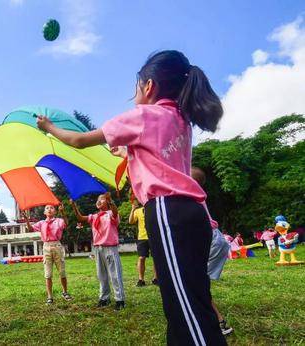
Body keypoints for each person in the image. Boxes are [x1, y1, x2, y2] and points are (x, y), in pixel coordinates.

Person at [38, 50, 226, 344]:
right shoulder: (180, 119)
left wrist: (48, 127)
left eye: (136, 86)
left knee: (186, 307)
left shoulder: (143, 115)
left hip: (168, 212)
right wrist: (128, 151)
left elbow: (79, 140)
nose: (135, 92)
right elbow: (163, 161)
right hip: (193, 212)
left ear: (149, 86)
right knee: (189, 297)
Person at [191, 167, 233, 336]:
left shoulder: (191, 192)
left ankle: (219, 322)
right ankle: (213, 319)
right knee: (197, 283)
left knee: (196, 284)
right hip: (215, 239)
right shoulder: (197, 194)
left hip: (211, 240)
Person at [70, 193, 126, 310]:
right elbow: (80, 218)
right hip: (98, 248)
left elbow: (115, 213)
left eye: (102, 199)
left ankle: (119, 299)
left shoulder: (111, 214)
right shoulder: (95, 216)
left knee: (115, 274)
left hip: (110, 247)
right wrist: (74, 206)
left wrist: (111, 202)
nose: (99, 201)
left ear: (108, 202)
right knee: (102, 275)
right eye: (98, 200)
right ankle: (104, 298)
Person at [23, 204, 73, 305]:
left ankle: (65, 292)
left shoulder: (59, 221)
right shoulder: (41, 223)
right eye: (47, 208)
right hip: (46, 247)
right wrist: (27, 220)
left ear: (55, 211)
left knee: (62, 271)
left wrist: (63, 212)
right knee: (48, 274)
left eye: (52, 208)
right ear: (44, 212)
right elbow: (30, 229)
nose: (49, 209)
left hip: (57, 245)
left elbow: (66, 223)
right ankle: (50, 296)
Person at [128, 200, 158, 286]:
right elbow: (131, 221)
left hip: (154, 236)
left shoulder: (153, 208)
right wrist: (133, 209)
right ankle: (141, 279)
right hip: (142, 237)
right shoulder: (138, 210)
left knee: (156, 258)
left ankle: (156, 278)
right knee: (141, 258)